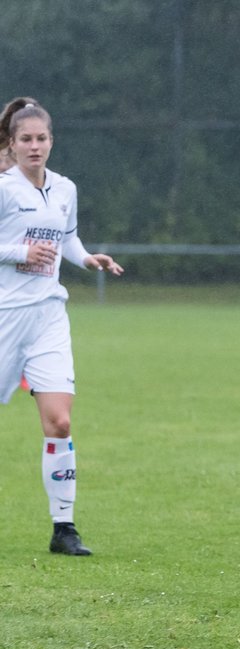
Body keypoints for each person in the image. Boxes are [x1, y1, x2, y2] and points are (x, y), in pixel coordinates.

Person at [0, 97, 124, 555]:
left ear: (52, 141)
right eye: (26, 139)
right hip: (5, 318)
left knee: (59, 421)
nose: (35, 146)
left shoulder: (65, 188)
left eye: (42, 138)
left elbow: (66, 236)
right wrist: (19, 253)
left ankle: (64, 529)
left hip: (49, 316)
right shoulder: (4, 188)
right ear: (11, 145)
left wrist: (87, 257)